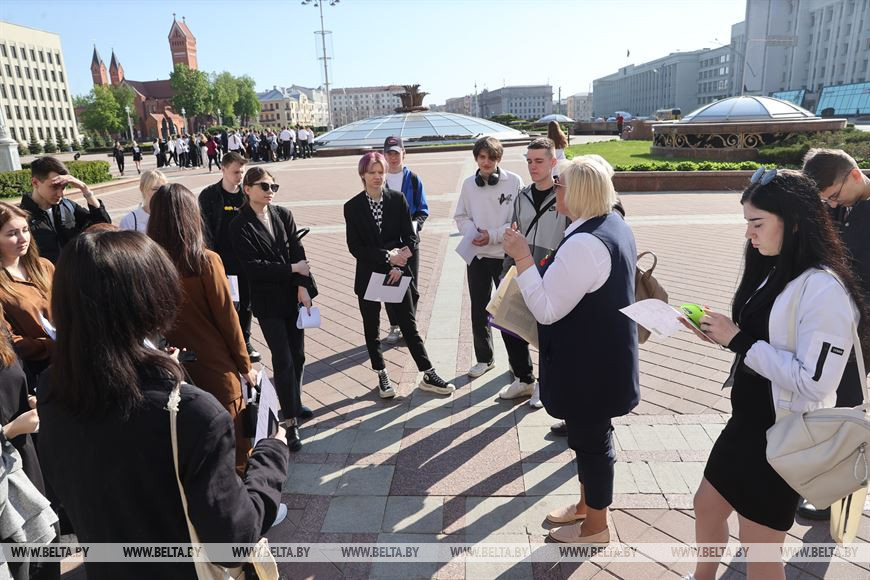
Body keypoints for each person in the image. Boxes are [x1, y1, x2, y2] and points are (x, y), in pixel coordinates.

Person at [37, 229, 289, 580]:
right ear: (152, 300)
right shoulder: (192, 413)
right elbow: (234, 540)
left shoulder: (52, 387)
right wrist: (270, 454)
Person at [679, 169, 867, 580]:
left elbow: (814, 382)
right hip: (746, 424)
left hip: (785, 435)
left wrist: (738, 341)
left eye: (757, 223)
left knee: (760, 551)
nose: (749, 233)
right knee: (706, 506)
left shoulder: (825, 289)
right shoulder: (773, 266)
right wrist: (721, 334)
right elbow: (759, 339)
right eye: (747, 222)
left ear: (794, 221)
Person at [503, 157, 639, 545]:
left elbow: (546, 309)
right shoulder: (611, 224)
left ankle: (596, 527)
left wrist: (522, 257)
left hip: (588, 366)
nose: (554, 188)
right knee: (587, 437)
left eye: (559, 184)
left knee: (592, 443)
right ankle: (586, 506)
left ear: (577, 192)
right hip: (601, 356)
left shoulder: (584, 243)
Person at [148, 183, 257, 474]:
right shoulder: (205, 260)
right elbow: (228, 319)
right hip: (214, 366)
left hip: (170, 369)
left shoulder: (147, 264)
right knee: (234, 448)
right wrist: (245, 365)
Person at [344, 152, 455, 398]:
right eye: (372, 172)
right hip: (369, 276)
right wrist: (387, 257)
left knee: (408, 324)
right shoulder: (352, 207)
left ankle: (428, 372)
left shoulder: (397, 199)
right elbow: (356, 247)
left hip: (397, 273)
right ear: (362, 174)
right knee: (372, 328)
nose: (377, 177)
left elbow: (411, 237)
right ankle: (382, 374)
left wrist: (399, 264)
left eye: (381, 172)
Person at [798, 148, 870, 520]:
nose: (832, 204)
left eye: (835, 196)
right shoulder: (842, 205)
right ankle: (838, 487)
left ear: (854, 175)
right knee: (845, 400)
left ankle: (841, 488)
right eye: (827, 200)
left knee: (849, 402)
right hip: (849, 322)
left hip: (863, 322)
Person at [231, 167, 316, 452]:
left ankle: (295, 401)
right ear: (247, 189)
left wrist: (302, 285)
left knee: (299, 355)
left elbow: (298, 252)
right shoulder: (239, 225)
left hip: (292, 297)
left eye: (273, 187)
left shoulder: (283, 215)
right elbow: (254, 268)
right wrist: (293, 269)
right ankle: (290, 422)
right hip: (267, 303)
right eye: (264, 186)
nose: (270, 191)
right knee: (283, 358)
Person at [498, 138, 568, 407]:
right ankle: (524, 378)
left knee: (546, 332)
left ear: (553, 162)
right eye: (529, 161)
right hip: (521, 267)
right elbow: (515, 231)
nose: (533, 166)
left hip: (551, 271)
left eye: (539, 161)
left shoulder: (564, 194)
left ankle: (544, 384)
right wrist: (507, 267)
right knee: (510, 324)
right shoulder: (522, 196)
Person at [454, 136, 524, 379]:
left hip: (505, 256)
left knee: (510, 311)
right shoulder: (468, 185)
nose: (486, 162)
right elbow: (460, 216)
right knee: (478, 309)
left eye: (491, 158)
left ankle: (518, 364)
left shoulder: (514, 181)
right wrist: (472, 232)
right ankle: (485, 358)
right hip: (477, 257)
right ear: (476, 158)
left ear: (499, 159)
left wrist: (491, 235)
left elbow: (518, 220)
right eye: (482, 157)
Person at [198, 152, 260, 362]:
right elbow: (203, 229)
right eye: (235, 172)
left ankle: (245, 340)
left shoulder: (247, 194)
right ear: (222, 169)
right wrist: (208, 258)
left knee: (246, 302)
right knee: (224, 303)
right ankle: (226, 342)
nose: (239, 176)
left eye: (242, 172)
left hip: (244, 259)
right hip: (220, 260)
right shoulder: (209, 196)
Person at [0, 202, 55, 390]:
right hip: (38, 373)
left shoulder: (44, 266)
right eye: (12, 234)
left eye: (25, 230)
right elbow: (8, 341)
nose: (23, 238)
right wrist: (50, 346)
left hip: (71, 356)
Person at [382, 136, 429, 344]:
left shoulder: (413, 179)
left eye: (396, 153)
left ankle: (409, 325)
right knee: (390, 283)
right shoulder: (379, 178)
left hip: (409, 241)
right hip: (387, 243)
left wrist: (414, 227)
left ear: (404, 154)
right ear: (384, 155)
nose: (393, 157)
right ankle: (394, 325)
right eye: (389, 153)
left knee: (410, 285)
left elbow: (422, 210)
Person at [19, 157, 111, 263]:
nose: (60, 194)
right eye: (54, 187)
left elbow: (103, 225)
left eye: (63, 187)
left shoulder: (67, 206)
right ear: (35, 183)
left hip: (74, 271)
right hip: (45, 273)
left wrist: (85, 190)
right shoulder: (20, 216)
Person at [119, 169, 166, 234]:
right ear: (142, 189)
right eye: (155, 189)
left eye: (163, 189)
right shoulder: (129, 221)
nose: (161, 193)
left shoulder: (171, 215)